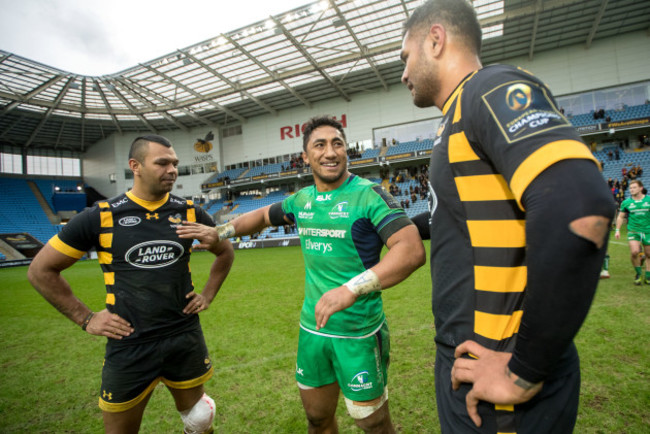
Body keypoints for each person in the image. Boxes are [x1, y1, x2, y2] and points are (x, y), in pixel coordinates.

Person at [400, 1, 616, 432]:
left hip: (500, 375)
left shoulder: (488, 87)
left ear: (436, 40)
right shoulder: (454, 117)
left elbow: (579, 205)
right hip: (469, 362)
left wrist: (525, 371)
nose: (403, 73)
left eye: (405, 57)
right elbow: (467, 216)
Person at [177, 116, 425, 433]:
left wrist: (351, 288)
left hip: (358, 332)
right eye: (319, 145)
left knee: (373, 424)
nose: (330, 152)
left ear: (347, 151)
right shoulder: (302, 199)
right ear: (305, 157)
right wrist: (220, 231)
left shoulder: (368, 195)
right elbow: (261, 216)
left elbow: (411, 249)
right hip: (312, 330)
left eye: (337, 143)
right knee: (317, 419)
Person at [27, 135, 234, 434]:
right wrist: (85, 318)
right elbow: (40, 270)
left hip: (183, 335)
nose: (172, 170)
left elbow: (224, 250)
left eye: (175, 163)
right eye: (162, 163)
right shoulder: (100, 216)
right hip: (130, 344)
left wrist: (208, 295)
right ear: (135, 166)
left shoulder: (190, 212)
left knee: (200, 420)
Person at [615, 179, 650, 284]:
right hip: (633, 230)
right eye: (630, 188)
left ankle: (648, 276)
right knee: (634, 252)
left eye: (634, 187)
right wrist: (617, 230)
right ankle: (638, 273)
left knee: (649, 254)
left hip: (648, 230)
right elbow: (620, 217)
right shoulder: (626, 202)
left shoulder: (648, 200)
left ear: (641, 188)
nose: (631, 190)